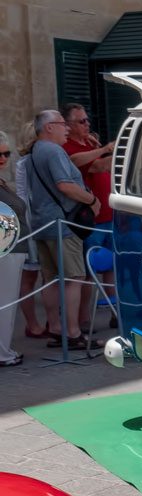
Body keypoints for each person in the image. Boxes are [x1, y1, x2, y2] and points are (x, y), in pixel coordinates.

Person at [25, 109, 102, 350]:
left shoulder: (34, 151)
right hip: (63, 223)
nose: (66, 128)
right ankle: (73, 332)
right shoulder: (54, 151)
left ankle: (56, 328)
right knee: (74, 278)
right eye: (62, 124)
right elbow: (64, 185)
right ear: (48, 127)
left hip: (42, 223)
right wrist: (91, 200)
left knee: (50, 279)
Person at [62, 103, 115, 329]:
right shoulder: (67, 147)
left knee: (111, 265)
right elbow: (88, 166)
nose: (87, 124)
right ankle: (83, 318)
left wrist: (114, 150)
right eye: (81, 121)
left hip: (109, 213)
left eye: (87, 120)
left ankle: (113, 310)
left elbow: (104, 166)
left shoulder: (89, 143)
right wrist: (104, 149)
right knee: (86, 272)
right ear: (68, 125)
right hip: (90, 218)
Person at [0, 131, 30, 367]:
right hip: (5, 250)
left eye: (6, 153)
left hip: (12, 248)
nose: (3, 158)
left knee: (7, 303)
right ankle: (3, 353)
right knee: (5, 304)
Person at [14, 122, 46, 339]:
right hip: (32, 222)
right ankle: (33, 324)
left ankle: (45, 323)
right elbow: (23, 196)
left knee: (47, 275)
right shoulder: (25, 163)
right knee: (29, 276)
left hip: (41, 221)